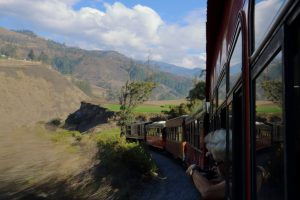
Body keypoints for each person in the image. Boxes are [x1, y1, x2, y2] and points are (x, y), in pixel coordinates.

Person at [186, 129, 267, 200]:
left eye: (215, 162)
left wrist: (193, 170)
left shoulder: (236, 182)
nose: (214, 166)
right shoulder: (252, 172)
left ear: (227, 162)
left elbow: (207, 191)